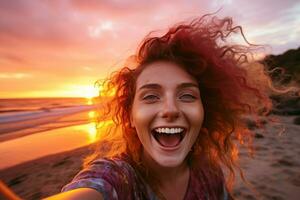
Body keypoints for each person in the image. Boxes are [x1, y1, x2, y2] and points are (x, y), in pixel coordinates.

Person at [45, 14, 272, 200]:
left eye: (187, 95)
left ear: (205, 111)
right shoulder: (118, 179)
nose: (170, 110)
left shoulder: (210, 174)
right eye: (151, 96)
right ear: (130, 116)